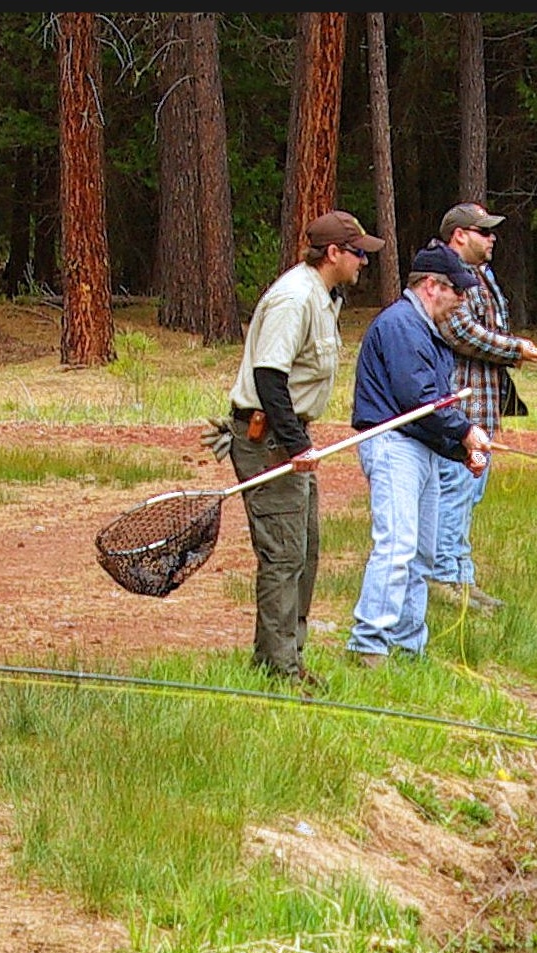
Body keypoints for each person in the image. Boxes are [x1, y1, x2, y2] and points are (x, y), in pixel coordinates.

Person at [223, 209, 381, 683]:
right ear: (333, 253)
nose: (363, 263)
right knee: (284, 554)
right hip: (266, 436)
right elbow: (269, 376)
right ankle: (277, 668)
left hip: (288, 434)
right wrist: (294, 446)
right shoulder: (295, 297)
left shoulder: (325, 296)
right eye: (357, 254)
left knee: (306, 551)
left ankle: (287, 655)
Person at [345, 246, 494, 668]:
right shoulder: (402, 325)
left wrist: (457, 449)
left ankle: (409, 646)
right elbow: (419, 400)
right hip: (393, 445)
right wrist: (465, 432)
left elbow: (432, 407)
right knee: (396, 546)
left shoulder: (426, 328)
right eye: (456, 294)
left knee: (422, 554)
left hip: (422, 447)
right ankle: (368, 644)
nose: (460, 303)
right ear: (432, 286)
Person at [431, 202, 537, 612]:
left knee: (468, 496)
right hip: (460, 411)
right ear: (460, 235)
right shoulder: (444, 275)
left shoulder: (482, 274)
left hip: (484, 411)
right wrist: (516, 349)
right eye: (484, 231)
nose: (492, 238)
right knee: (454, 493)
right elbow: (459, 330)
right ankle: (445, 582)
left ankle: (462, 579)